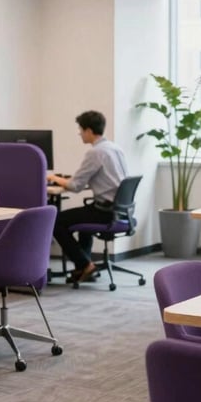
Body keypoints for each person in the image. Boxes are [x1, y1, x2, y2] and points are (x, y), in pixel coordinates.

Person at [49, 110, 128, 285]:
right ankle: (82, 267)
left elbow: (75, 186)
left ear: (89, 131)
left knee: (56, 221)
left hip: (105, 210)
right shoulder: (115, 148)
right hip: (120, 210)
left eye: (80, 130)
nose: (79, 133)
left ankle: (85, 264)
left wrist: (54, 178)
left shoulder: (96, 152)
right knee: (83, 222)